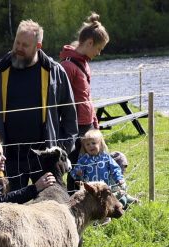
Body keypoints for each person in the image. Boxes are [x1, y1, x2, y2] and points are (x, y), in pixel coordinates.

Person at [0, 19, 77, 191]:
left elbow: (69, 114)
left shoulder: (54, 71)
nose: (19, 48)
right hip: (9, 157)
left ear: (38, 46)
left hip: (45, 155)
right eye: (17, 42)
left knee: (50, 204)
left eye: (25, 45)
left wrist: (62, 149)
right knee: (11, 206)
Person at [60, 12, 109, 191]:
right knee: (75, 166)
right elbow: (60, 100)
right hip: (75, 126)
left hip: (87, 123)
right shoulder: (67, 66)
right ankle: (74, 201)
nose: (99, 52)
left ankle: (93, 199)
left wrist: (95, 122)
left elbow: (86, 97)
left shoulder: (84, 63)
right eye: (99, 48)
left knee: (92, 163)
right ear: (89, 43)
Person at [71, 129, 138, 210]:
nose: (90, 146)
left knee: (112, 200)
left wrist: (119, 179)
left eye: (93, 143)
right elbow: (74, 172)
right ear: (84, 147)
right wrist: (77, 174)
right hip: (91, 190)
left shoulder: (105, 157)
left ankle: (124, 200)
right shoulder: (84, 159)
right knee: (94, 204)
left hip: (105, 188)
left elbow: (115, 168)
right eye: (87, 144)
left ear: (100, 144)